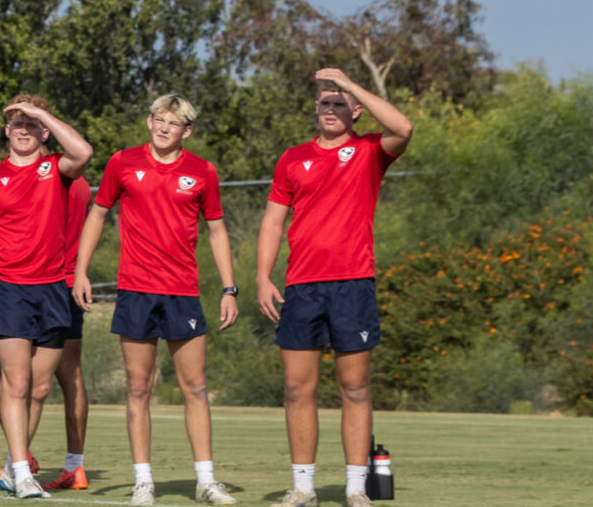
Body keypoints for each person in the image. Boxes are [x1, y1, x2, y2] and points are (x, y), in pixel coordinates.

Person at [72, 95, 239, 506]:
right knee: (137, 386)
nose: (164, 127)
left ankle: (205, 481)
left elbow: (217, 231)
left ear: (188, 130)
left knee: (195, 386)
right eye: (159, 119)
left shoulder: (203, 171)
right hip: (136, 290)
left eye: (174, 123)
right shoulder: (122, 163)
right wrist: (80, 270)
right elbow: (97, 214)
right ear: (149, 121)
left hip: (184, 293)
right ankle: (143, 481)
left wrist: (229, 288)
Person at [256, 69, 413, 507]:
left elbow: (403, 127)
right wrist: (262, 276)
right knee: (295, 389)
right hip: (302, 287)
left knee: (355, 387)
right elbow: (272, 220)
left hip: (352, 284)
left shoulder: (369, 151)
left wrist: (350, 84)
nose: (330, 110)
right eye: (325, 103)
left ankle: (356, 488)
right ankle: (303, 487)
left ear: (356, 110)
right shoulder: (292, 158)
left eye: (339, 103)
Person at [0, 96, 93, 500]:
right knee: (15, 383)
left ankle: (13, 467)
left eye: (30, 124)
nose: (23, 129)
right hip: (12, 289)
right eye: (16, 123)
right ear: (6, 131)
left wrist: (40, 113)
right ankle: (21, 472)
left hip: (54, 291)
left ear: (44, 131)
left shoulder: (56, 169)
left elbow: (83, 152)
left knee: (38, 388)